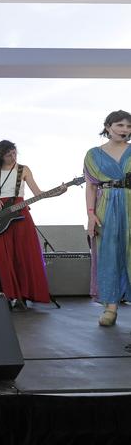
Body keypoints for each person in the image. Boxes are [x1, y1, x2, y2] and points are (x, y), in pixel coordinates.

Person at [0, 140, 64, 307]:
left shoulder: (23, 169)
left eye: (14, 153)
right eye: (8, 154)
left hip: (21, 212)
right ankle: (12, 295)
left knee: (25, 254)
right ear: (1, 156)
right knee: (6, 256)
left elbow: (38, 193)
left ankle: (25, 295)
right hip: (2, 214)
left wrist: (58, 193)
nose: (13, 156)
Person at [84, 110, 131, 326]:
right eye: (120, 125)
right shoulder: (93, 154)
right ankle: (110, 307)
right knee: (108, 252)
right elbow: (91, 187)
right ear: (108, 126)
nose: (125, 130)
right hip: (105, 206)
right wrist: (91, 215)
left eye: (129, 127)